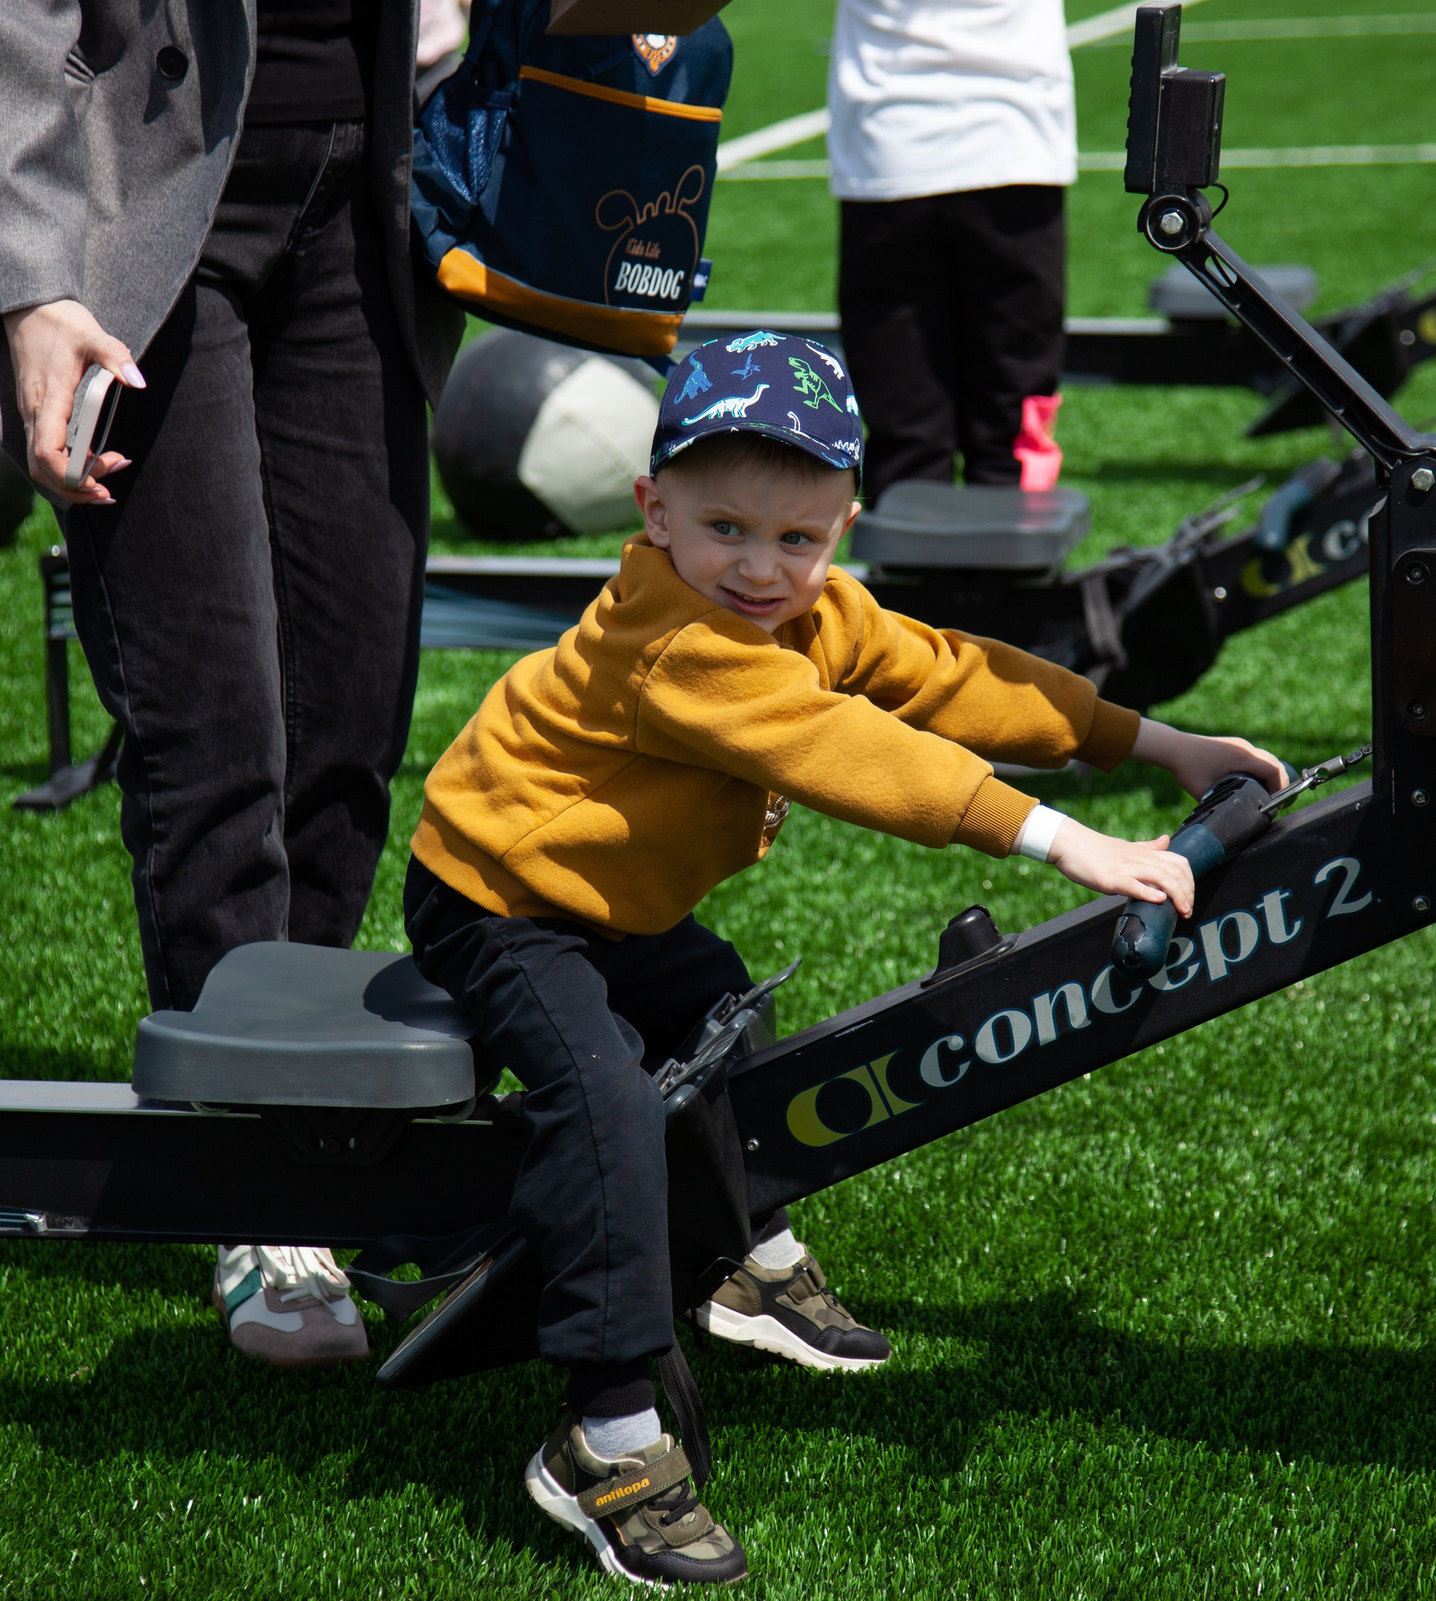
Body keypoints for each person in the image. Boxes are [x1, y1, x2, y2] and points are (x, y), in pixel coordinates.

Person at [404, 330, 1287, 1585]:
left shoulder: (811, 606)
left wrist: (1153, 742)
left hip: (619, 899)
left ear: (841, 530)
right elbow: (853, 752)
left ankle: (740, 1262)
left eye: (797, 541)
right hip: (500, 899)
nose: (760, 571)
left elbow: (951, 677)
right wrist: (1066, 842)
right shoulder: (677, 639)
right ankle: (607, 1436)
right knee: (602, 1106)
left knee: (725, 1024)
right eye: (725, 529)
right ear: (652, 510)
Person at [0, 0, 472, 1368]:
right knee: (217, 722)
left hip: (363, 182)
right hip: (131, 208)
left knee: (348, 712)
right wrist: (32, 282)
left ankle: (313, 1127)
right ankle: (256, 1188)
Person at [773, 0, 1093, 504]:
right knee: (1014, 415)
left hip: (890, 163)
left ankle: (908, 589)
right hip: (1014, 156)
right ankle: (1010, 573)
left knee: (904, 424)